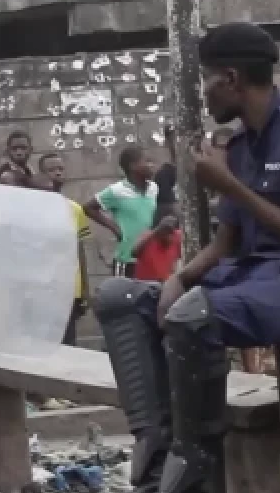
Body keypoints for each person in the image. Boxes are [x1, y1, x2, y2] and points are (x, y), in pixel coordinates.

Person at [94, 22, 280, 493]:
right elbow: (226, 244)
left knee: (193, 316)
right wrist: (179, 277)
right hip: (258, 271)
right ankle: (156, 471)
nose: (203, 93)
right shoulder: (242, 147)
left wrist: (227, 185)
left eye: (206, 79)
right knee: (122, 300)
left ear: (231, 78)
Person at [38, 153, 91, 346]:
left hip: (70, 289)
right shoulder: (35, 209)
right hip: (43, 288)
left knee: (69, 345)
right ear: (41, 175)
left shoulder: (75, 209)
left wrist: (85, 288)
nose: (57, 173)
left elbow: (80, 250)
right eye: (51, 170)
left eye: (60, 169)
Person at [84, 146, 158, 277]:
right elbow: (88, 207)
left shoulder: (154, 188)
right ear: (133, 166)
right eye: (146, 161)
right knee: (124, 296)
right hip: (127, 259)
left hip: (150, 258)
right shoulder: (117, 190)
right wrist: (114, 228)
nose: (151, 165)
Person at [132, 205, 182, 283]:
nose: (169, 237)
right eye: (166, 232)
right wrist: (157, 230)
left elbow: (180, 260)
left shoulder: (178, 236)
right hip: (145, 284)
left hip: (166, 283)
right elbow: (133, 253)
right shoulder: (147, 238)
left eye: (171, 232)